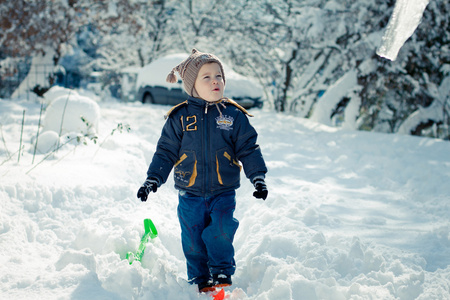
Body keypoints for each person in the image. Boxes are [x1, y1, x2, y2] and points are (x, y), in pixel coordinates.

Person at [137, 49, 268, 293]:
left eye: (218, 75)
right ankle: (199, 277)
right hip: (190, 192)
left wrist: (258, 177)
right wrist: (152, 179)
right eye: (206, 77)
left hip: (223, 190)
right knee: (193, 238)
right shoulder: (180, 117)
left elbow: (248, 148)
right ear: (192, 86)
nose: (215, 81)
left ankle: (220, 270)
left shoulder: (233, 115)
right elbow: (166, 151)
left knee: (221, 229)